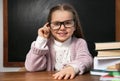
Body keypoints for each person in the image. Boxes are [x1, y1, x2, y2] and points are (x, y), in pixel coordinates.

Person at [25, 3, 93, 80]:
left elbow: (86, 59)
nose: (62, 28)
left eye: (67, 23)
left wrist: (73, 68)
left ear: (75, 26)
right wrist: (41, 40)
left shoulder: (79, 43)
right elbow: (32, 67)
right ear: (49, 26)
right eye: (56, 24)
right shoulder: (44, 44)